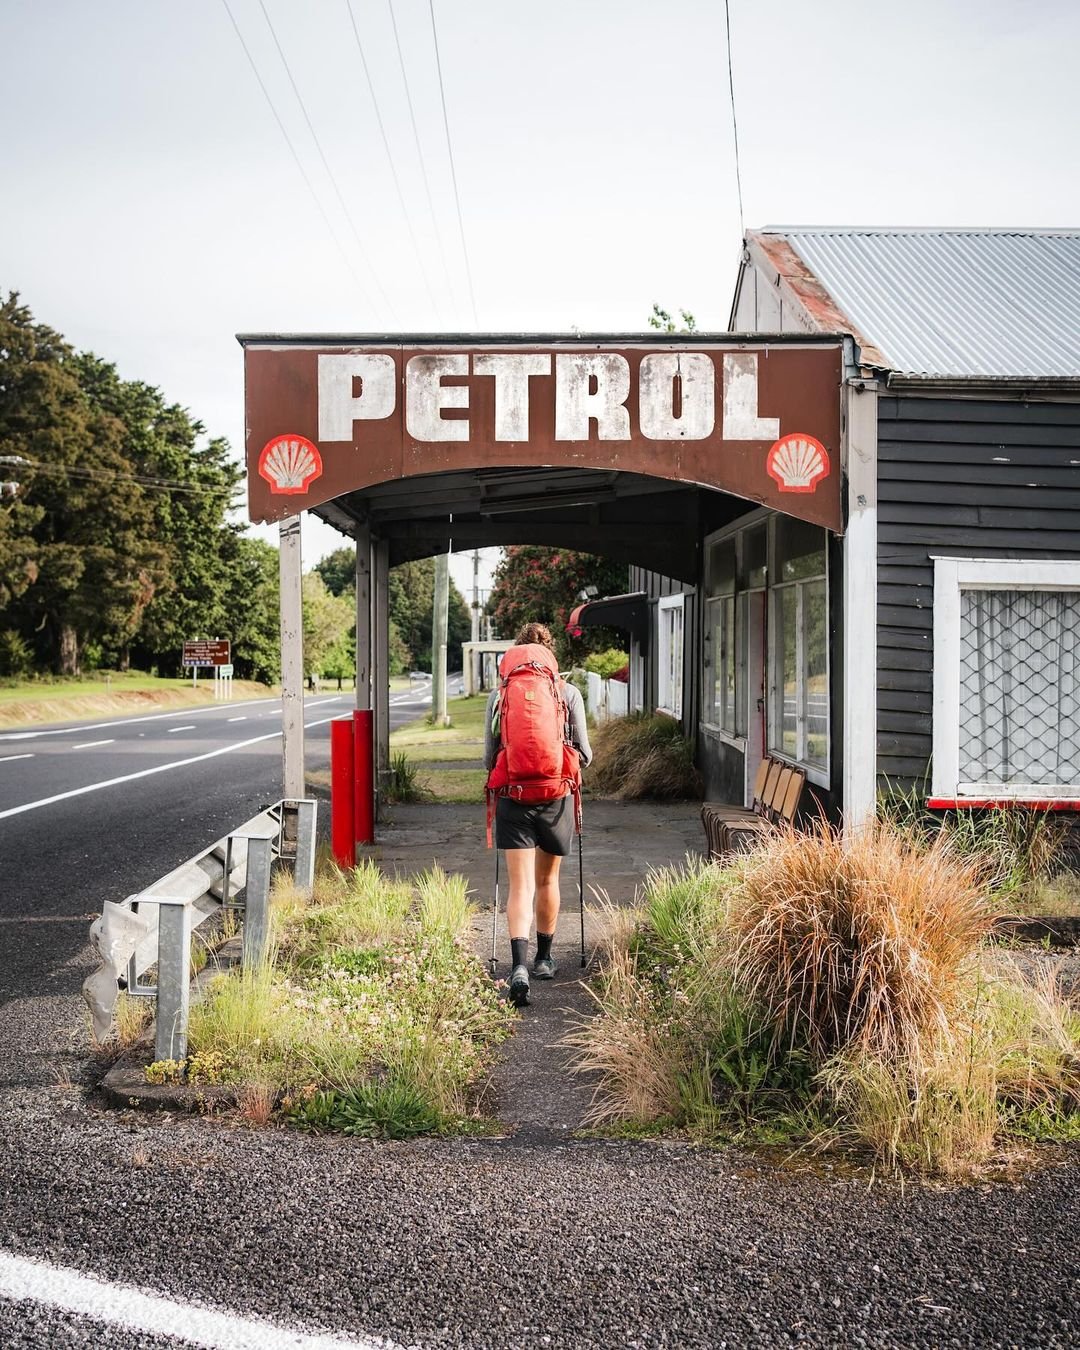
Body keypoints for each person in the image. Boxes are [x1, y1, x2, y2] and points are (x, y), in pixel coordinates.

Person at [484, 622, 592, 1008]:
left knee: (520, 886)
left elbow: (487, 759)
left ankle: (517, 966)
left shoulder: (499, 698)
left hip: (514, 798)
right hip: (556, 797)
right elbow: (586, 754)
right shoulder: (568, 692)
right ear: (550, 655)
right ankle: (545, 959)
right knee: (547, 881)